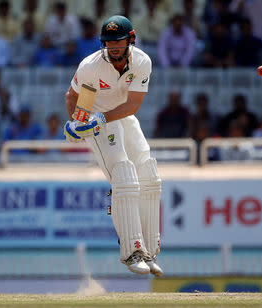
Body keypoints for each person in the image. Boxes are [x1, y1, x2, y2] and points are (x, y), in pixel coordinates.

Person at [63, 15, 163, 276]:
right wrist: (75, 124)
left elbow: (133, 105)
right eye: (109, 42)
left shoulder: (142, 61)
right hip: (97, 122)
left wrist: (103, 117)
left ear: (130, 40)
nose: (114, 47)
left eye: (118, 41)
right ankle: (132, 252)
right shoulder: (90, 67)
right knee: (124, 173)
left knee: (148, 173)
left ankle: (150, 251)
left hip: (119, 115)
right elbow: (73, 97)